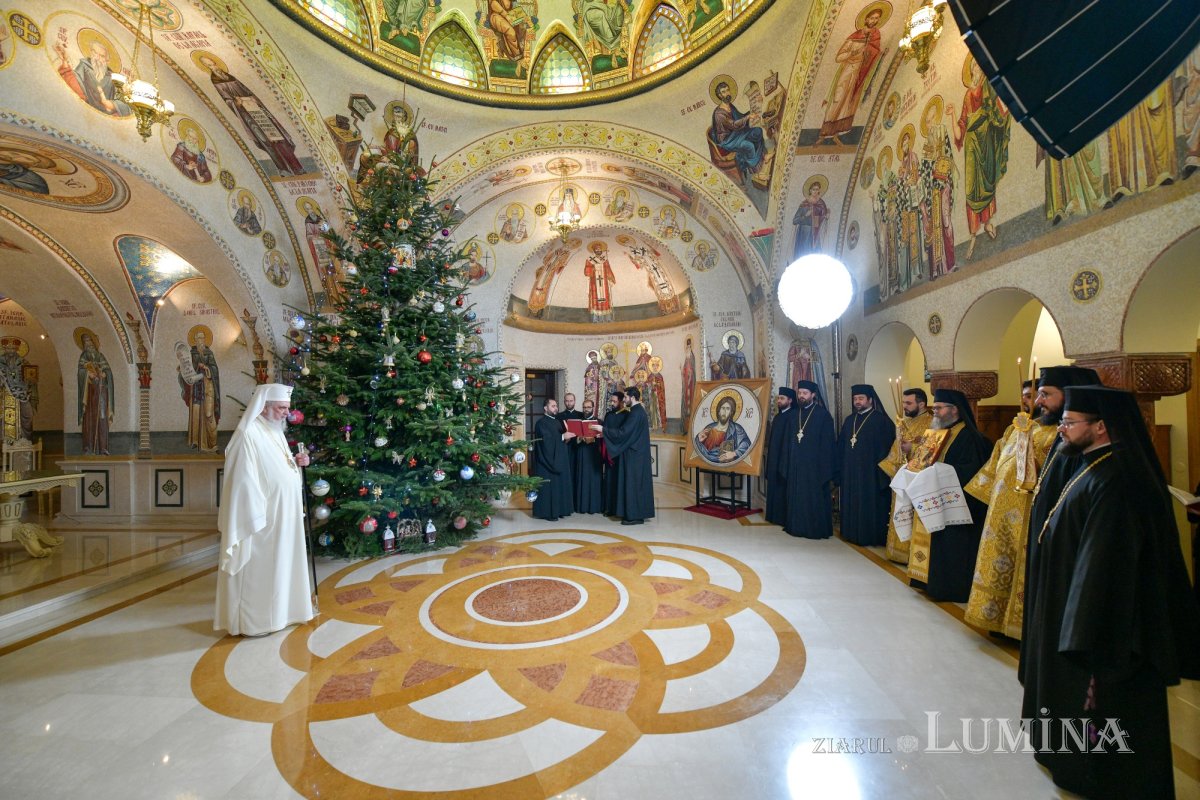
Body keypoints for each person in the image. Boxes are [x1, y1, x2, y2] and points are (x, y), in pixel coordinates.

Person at [1021, 386, 1200, 798]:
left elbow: (1105, 566)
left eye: (1070, 422)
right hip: (1076, 612)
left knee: (1110, 721)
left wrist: (1081, 636)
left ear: (1100, 426)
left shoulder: (1117, 479)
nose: (1061, 428)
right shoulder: (1093, 466)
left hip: (1107, 631)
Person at [1018, 365, 1103, 680]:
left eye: (1045, 394)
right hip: (1049, 546)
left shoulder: (1085, 447)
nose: (1038, 401)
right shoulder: (1064, 437)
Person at [963, 378, 1059, 638]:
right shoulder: (1014, 428)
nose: (1029, 401)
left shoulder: (1056, 433)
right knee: (998, 565)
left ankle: (1017, 626)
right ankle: (995, 619)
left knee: (1021, 568)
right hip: (1000, 513)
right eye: (1026, 396)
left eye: (1034, 395)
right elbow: (997, 461)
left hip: (1028, 512)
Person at [215, 384, 313, 637]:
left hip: (284, 515)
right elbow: (243, 480)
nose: (286, 413)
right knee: (262, 571)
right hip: (262, 519)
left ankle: (282, 615)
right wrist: (256, 514)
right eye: (281, 408)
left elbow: (277, 467)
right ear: (264, 407)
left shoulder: (274, 430)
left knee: (282, 567)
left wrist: (297, 463)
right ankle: (255, 623)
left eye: (287, 408)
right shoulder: (248, 434)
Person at [903, 389, 992, 601]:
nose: (934, 412)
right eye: (934, 407)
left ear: (955, 410)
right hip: (935, 499)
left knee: (954, 547)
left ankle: (951, 588)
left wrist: (937, 472)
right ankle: (930, 582)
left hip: (959, 506)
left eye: (939, 408)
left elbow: (972, 471)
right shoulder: (936, 434)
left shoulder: (971, 438)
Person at [836, 384, 895, 546]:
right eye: (855, 399)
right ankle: (850, 533)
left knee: (868, 504)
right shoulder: (850, 420)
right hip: (850, 472)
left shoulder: (881, 421)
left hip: (871, 474)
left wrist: (879, 472)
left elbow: (886, 449)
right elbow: (841, 446)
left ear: (870, 399)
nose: (857, 402)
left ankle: (869, 536)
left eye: (861, 398)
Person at [879, 387, 932, 563]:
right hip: (902, 476)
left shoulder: (931, 423)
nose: (904, 407)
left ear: (921, 404)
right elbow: (897, 449)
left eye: (908, 403)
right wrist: (893, 468)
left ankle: (912, 556)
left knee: (913, 518)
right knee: (900, 513)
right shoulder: (905, 423)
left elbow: (932, 449)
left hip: (918, 479)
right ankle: (896, 552)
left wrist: (912, 447)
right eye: (903, 403)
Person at [818, 5, 886, 145]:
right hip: (847, 73)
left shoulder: (875, 36)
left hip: (859, 75)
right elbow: (839, 57)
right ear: (866, 19)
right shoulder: (855, 37)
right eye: (872, 18)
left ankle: (837, 134)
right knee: (838, 99)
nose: (874, 21)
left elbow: (874, 54)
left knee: (849, 104)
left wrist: (879, 55)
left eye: (877, 18)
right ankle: (824, 133)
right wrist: (852, 53)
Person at [781, 380, 836, 539]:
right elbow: (787, 442)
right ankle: (795, 527)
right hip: (795, 466)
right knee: (797, 497)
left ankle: (813, 530)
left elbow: (828, 445)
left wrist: (824, 469)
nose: (801, 396)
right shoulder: (793, 415)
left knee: (812, 498)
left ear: (813, 395)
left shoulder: (823, 416)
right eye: (799, 393)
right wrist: (786, 464)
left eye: (805, 393)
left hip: (814, 469)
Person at [595, 387, 654, 525]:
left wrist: (603, 429)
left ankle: (634, 516)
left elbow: (623, 433)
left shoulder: (635, 413)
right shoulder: (637, 411)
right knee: (633, 484)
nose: (624, 399)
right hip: (635, 453)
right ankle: (632, 513)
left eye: (626, 397)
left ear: (632, 397)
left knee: (633, 485)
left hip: (634, 455)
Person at [532, 398, 576, 521]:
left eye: (556, 406)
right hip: (546, 462)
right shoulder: (541, 423)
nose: (556, 408)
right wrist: (562, 436)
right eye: (553, 406)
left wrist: (566, 438)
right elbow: (546, 442)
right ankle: (548, 513)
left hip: (559, 459)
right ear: (545, 408)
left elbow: (560, 440)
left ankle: (560, 510)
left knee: (559, 486)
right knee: (549, 488)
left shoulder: (557, 422)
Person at [764, 386, 796, 526]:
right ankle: (773, 516)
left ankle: (781, 518)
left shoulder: (793, 417)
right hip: (774, 459)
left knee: (782, 489)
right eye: (778, 398)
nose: (779, 401)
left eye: (782, 398)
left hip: (784, 459)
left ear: (790, 400)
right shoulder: (777, 417)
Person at [77, 334, 114, 455]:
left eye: (89, 340)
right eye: (85, 342)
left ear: (94, 342)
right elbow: (80, 372)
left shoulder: (100, 356)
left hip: (101, 391)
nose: (88, 344)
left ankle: (103, 448)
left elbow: (108, 371)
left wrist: (104, 374)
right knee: (89, 419)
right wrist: (88, 374)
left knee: (102, 418)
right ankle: (88, 447)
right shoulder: (83, 357)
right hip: (89, 393)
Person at [694, 393, 752, 465]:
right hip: (706, 464)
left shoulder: (737, 429)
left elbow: (746, 443)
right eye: (723, 408)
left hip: (728, 466)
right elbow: (699, 447)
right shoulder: (709, 428)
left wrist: (734, 453)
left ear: (731, 413)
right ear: (718, 411)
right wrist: (698, 439)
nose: (724, 412)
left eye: (728, 409)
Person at [573, 399, 604, 513]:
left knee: (594, 479)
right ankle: (582, 506)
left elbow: (604, 438)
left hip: (594, 453)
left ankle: (594, 507)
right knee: (582, 478)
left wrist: (594, 439)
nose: (586, 409)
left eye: (588, 407)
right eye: (584, 407)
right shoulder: (578, 421)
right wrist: (579, 438)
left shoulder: (599, 422)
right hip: (581, 453)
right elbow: (573, 438)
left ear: (593, 408)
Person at [601, 391, 627, 516]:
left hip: (621, 453)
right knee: (609, 480)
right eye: (611, 401)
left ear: (621, 401)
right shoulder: (609, 415)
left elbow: (624, 434)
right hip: (609, 453)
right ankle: (609, 508)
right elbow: (605, 432)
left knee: (620, 481)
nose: (612, 403)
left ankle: (620, 509)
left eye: (614, 401)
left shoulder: (627, 415)